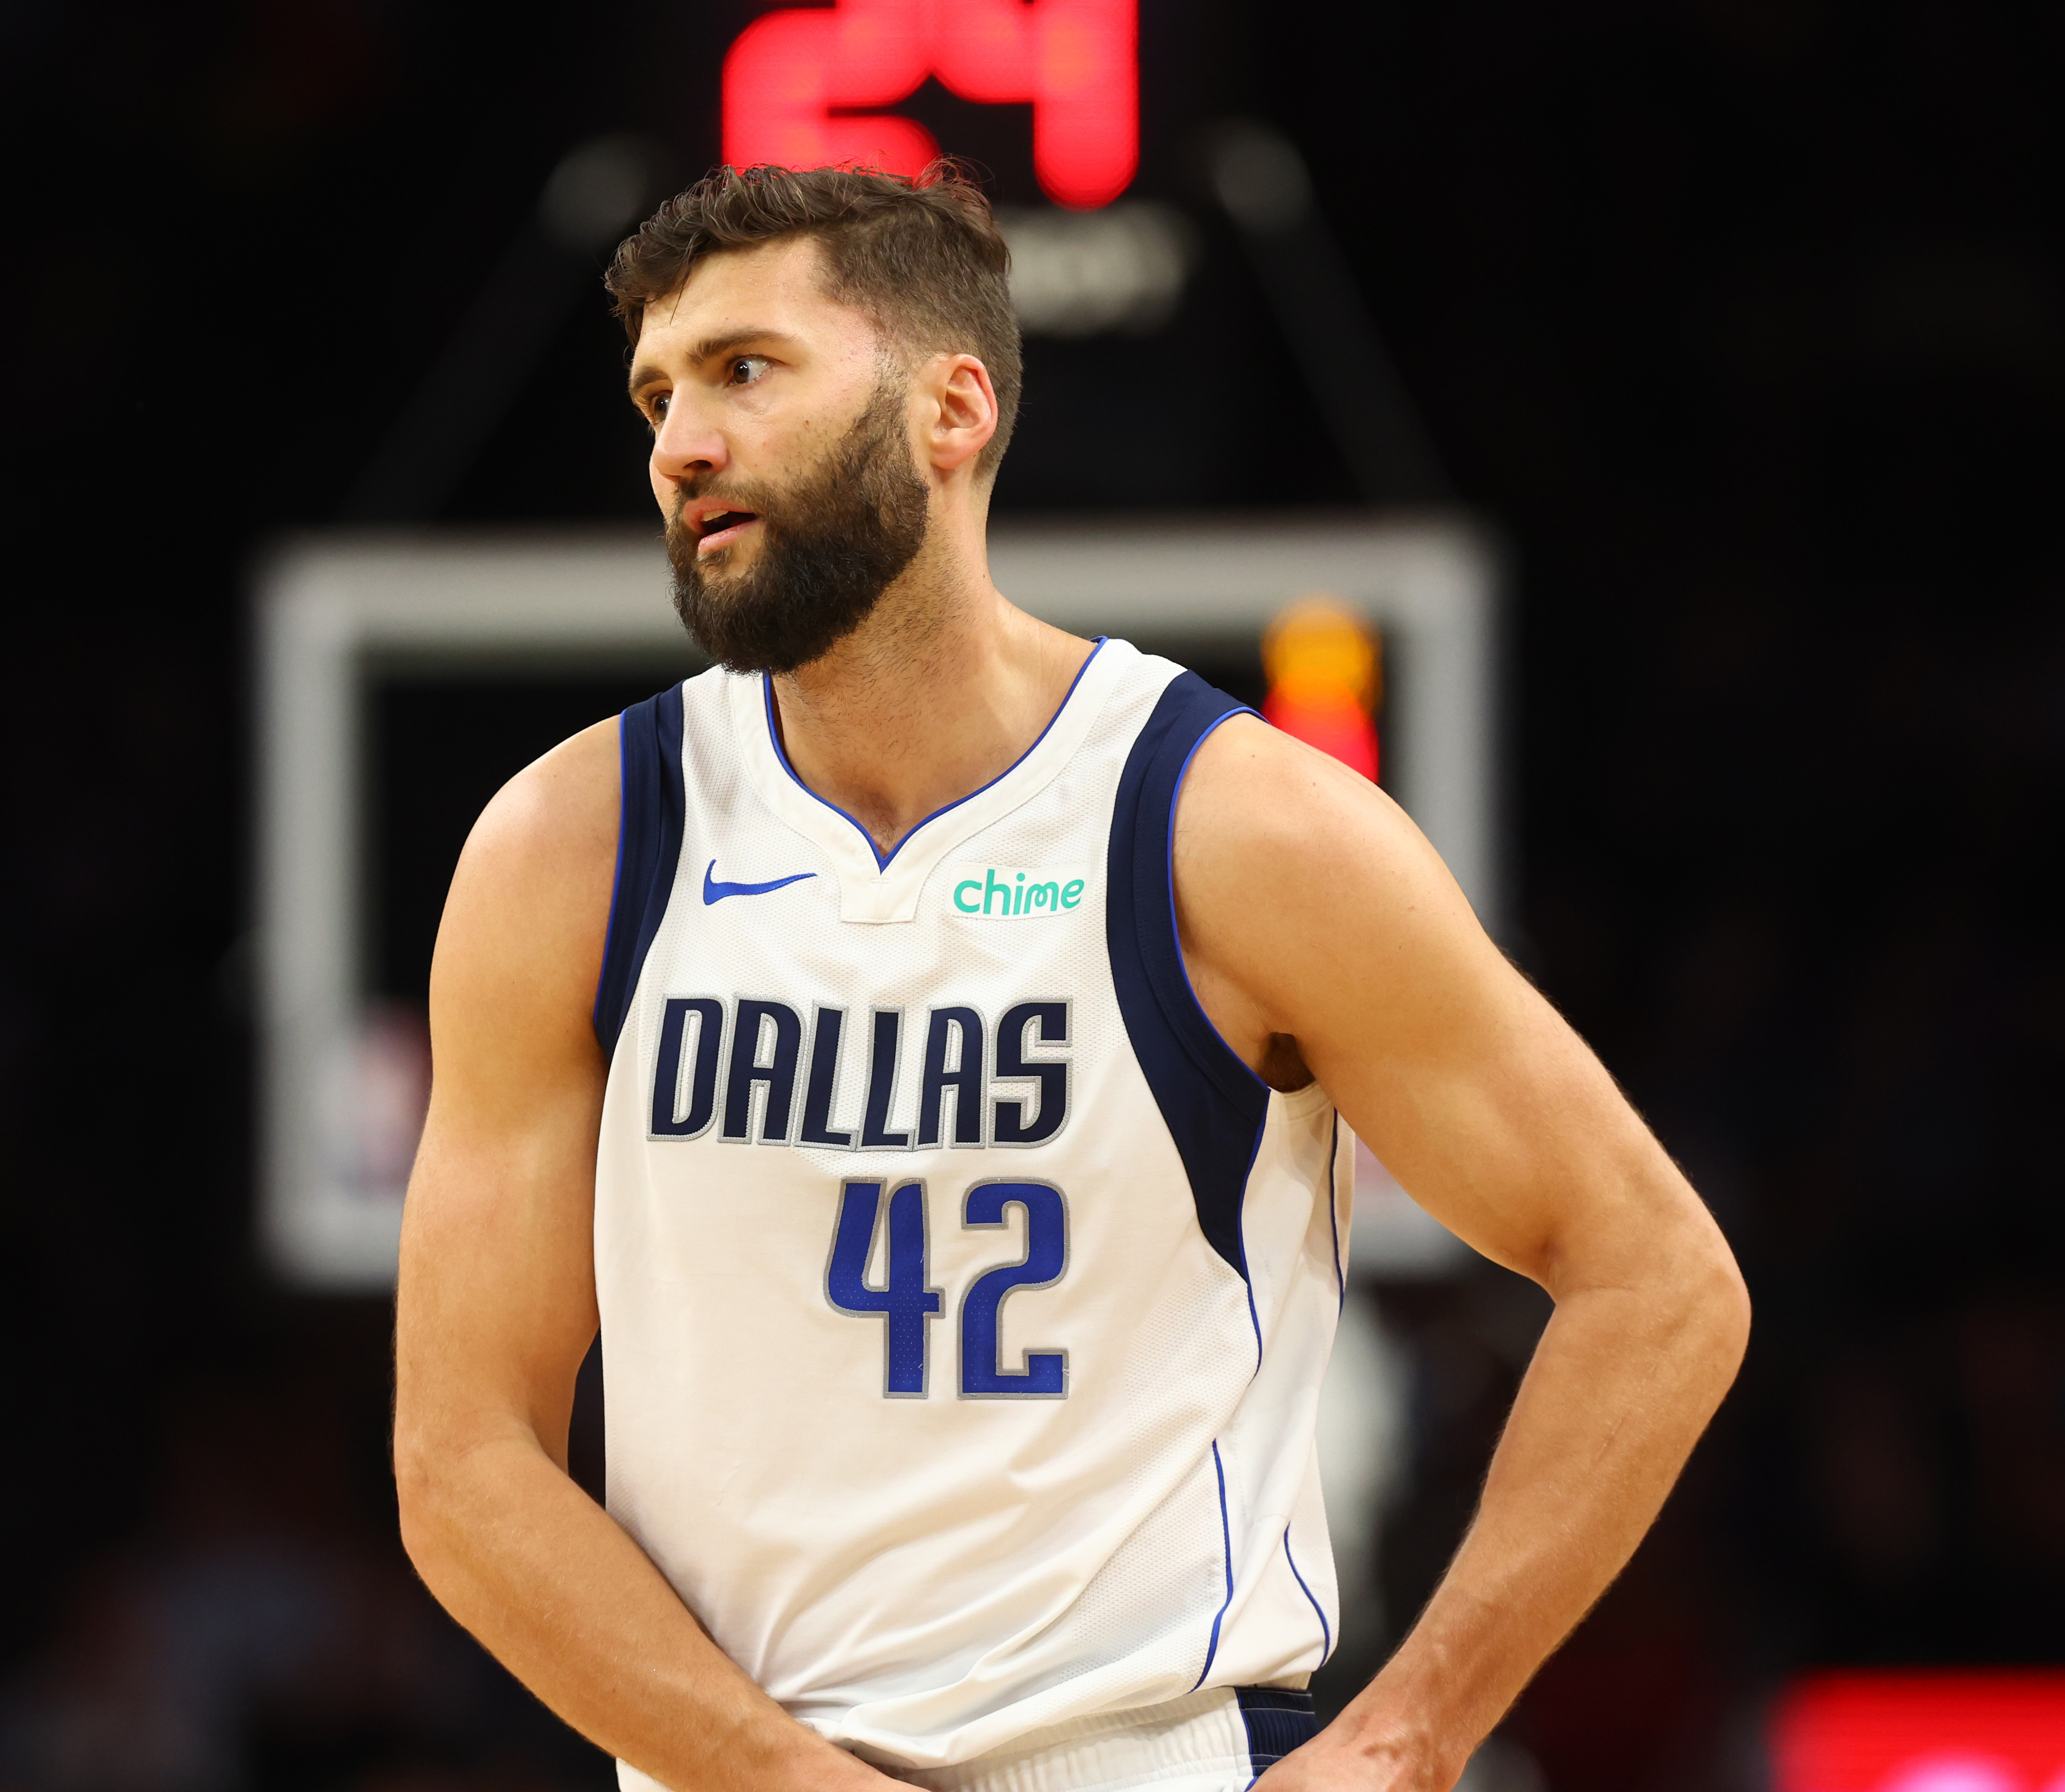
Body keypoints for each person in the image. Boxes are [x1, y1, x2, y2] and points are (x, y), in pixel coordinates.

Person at [391, 163, 1748, 1792]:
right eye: (656, 394)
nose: (680, 441)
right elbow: (462, 1462)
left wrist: (1411, 1732)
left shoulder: (1231, 829)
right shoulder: (569, 851)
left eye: (746, 370)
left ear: (951, 408)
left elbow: (1655, 1282)